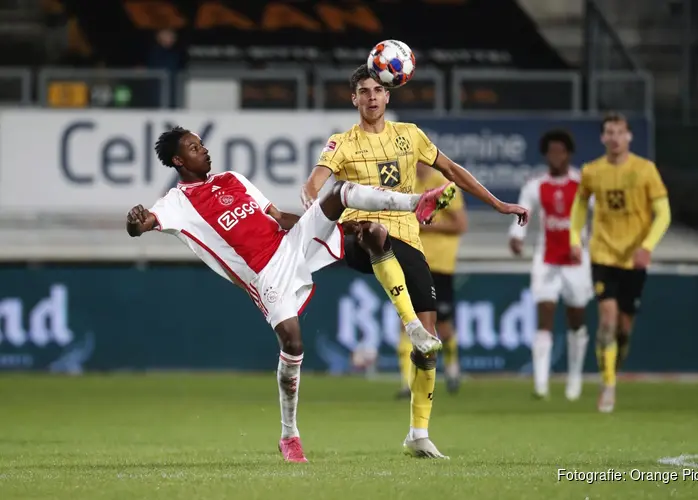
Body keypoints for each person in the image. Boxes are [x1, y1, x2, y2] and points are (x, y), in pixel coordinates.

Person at [125, 126, 455, 463]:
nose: (204, 150)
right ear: (179, 160)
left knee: (340, 192)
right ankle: (289, 435)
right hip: (264, 275)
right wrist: (135, 220)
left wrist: (338, 226)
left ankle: (417, 203)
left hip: (289, 243)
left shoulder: (232, 179)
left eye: (202, 144)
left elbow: (279, 217)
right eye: (195, 148)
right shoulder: (178, 202)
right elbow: (143, 225)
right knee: (293, 344)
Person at [301, 64, 529, 459]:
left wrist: (499, 204)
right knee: (375, 233)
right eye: (363, 91)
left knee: (430, 345)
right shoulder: (341, 143)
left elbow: (453, 171)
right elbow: (314, 183)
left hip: (408, 238)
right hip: (359, 234)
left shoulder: (411, 136)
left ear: (389, 94)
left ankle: (418, 434)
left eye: (377, 90)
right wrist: (314, 206)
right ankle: (409, 323)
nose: (371, 97)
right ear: (353, 99)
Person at [569, 113, 671, 413]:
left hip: (634, 258)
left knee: (624, 328)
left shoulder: (645, 169)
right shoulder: (592, 171)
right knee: (607, 321)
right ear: (602, 138)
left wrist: (647, 246)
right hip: (603, 254)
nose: (614, 137)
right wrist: (576, 241)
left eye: (620, 132)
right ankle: (608, 385)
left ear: (629, 137)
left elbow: (663, 213)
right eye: (609, 132)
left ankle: (615, 362)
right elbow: (578, 207)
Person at [508, 130, 592, 401]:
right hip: (546, 257)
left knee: (576, 318)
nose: (556, 156)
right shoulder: (536, 185)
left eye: (561, 151)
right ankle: (541, 383)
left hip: (577, 259)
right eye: (551, 152)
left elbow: (601, 213)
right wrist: (517, 236)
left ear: (568, 154)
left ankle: (574, 378)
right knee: (544, 313)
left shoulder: (582, 183)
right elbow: (523, 212)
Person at [395, 162, 468, 399]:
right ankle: (408, 384)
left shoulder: (444, 185)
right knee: (407, 321)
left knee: (442, 325)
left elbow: (460, 224)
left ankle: (453, 369)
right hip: (412, 262)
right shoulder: (405, 185)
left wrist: (427, 225)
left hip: (440, 265)